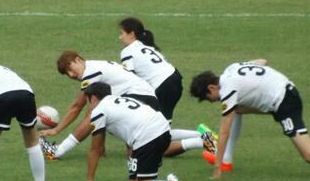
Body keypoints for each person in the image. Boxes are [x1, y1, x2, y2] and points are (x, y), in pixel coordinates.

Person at [189, 60, 310, 180]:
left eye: (208, 98)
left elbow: (224, 131)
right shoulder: (231, 69)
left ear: (213, 87)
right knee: (236, 109)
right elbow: (262, 61)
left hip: (285, 102)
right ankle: (227, 160)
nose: (211, 101)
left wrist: (216, 169)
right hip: (283, 92)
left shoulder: (228, 89)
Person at [39, 50, 214, 159]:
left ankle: (58, 151)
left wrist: (56, 130)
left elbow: (79, 107)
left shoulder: (91, 72)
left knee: (145, 150)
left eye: (71, 68)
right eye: (67, 73)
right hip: (143, 96)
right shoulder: (95, 66)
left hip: (139, 96)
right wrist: (100, 145)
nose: (71, 74)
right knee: (152, 141)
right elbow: (97, 111)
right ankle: (203, 137)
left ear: (79, 60)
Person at [76, 82, 187, 181]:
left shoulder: (98, 111)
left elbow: (95, 150)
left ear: (93, 98)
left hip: (147, 137)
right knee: (145, 180)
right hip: (163, 130)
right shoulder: (119, 100)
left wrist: (89, 180)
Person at [118, 17, 201, 141]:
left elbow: (129, 78)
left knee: (160, 133)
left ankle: (203, 137)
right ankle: (201, 135)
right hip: (175, 79)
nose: (120, 37)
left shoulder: (127, 51)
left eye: (122, 33)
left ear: (132, 34)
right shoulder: (146, 47)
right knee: (161, 129)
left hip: (164, 85)